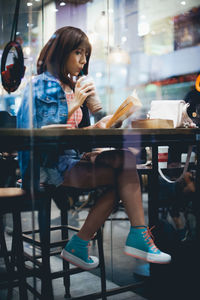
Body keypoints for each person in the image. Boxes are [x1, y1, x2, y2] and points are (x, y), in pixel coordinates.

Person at [17, 26, 171, 270]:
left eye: (86, 54)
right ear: (62, 51)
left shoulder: (71, 86)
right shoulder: (41, 84)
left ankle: (98, 241)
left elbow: (74, 134)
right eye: (78, 52)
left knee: (125, 163)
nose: (83, 60)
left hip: (68, 160)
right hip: (46, 166)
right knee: (125, 173)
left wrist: (103, 125)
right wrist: (76, 103)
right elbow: (39, 130)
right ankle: (94, 242)